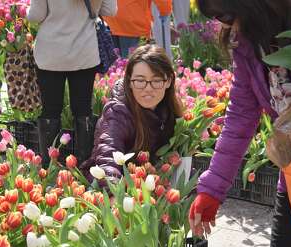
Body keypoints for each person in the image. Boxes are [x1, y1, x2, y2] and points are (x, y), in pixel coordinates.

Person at [187, 0, 291, 247]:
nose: (228, 26)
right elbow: (241, 116)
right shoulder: (248, 42)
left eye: (228, 15)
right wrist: (213, 187)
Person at [27, 0, 117, 166]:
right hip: (84, 52)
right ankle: (84, 165)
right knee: (83, 109)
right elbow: (110, 10)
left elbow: (35, 15)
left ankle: (49, 166)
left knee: (50, 109)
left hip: (51, 53)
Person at [81, 44, 183, 183]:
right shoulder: (117, 112)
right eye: (140, 81)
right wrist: (114, 193)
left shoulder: (169, 111)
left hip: (148, 184)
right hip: (114, 185)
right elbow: (108, 155)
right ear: (129, 81)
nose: (148, 88)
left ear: (169, 81)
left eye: (156, 80)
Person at [103, 0, 172, 58]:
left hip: (109, 19)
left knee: (115, 68)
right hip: (134, 23)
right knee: (134, 64)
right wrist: (165, 10)